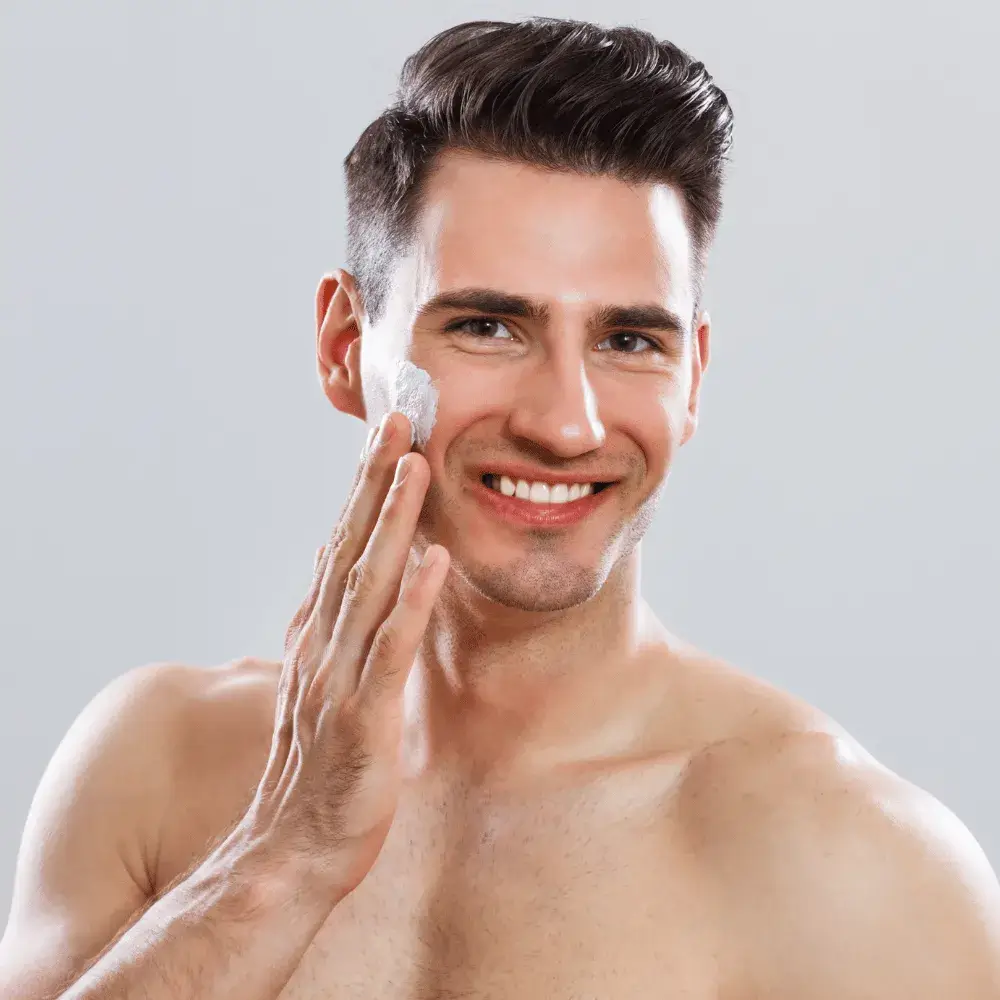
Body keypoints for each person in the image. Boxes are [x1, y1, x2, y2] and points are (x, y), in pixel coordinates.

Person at [1, 15, 998, 1000]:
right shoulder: (152, 766)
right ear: (346, 345)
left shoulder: (858, 866)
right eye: (489, 325)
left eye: (629, 341)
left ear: (692, 375)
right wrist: (277, 861)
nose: (567, 425)